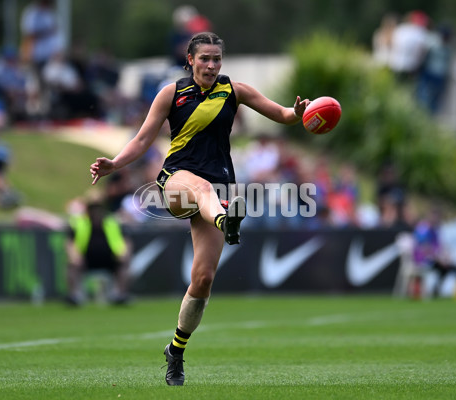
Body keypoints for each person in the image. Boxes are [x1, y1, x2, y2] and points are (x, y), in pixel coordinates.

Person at [89, 32, 310, 386]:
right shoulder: (171, 93)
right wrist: (115, 163)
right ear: (190, 60)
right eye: (204, 58)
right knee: (203, 189)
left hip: (218, 190)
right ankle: (226, 219)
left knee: (203, 279)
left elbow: (282, 115)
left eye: (216, 59)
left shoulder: (234, 91)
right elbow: (144, 138)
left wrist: (299, 113)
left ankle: (175, 350)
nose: (211, 65)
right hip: (177, 181)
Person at [65, 191, 132, 306]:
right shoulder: (79, 223)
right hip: (86, 259)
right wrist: (74, 256)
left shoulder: (113, 222)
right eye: (93, 208)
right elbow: (70, 243)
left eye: (98, 208)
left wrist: (123, 253)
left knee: (124, 265)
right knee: (72, 266)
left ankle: (120, 294)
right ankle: (75, 295)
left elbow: (126, 241)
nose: (96, 211)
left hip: (110, 259)